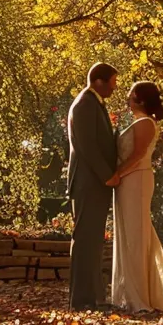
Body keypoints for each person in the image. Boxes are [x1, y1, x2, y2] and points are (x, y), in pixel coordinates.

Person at [106, 81, 163, 312]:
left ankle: (140, 294)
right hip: (128, 181)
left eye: (130, 96)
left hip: (136, 180)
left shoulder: (146, 123)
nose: (126, 100)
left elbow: (137, 155)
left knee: (137, 233)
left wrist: (117, 174)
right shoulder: (137, 122)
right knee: (128, 233)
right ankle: (128, 291)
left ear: (141, 99)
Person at [66, 63, 119, 311]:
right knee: (86, 240)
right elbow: (87, 146)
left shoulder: (92, 103)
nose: (114, 87)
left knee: (93, 241)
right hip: (88, 183)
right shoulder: (85, 105)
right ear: (99, 81)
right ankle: (81, 300)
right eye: (112, 81)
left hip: (93, 183)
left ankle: (92, 298)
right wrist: (107, 175)